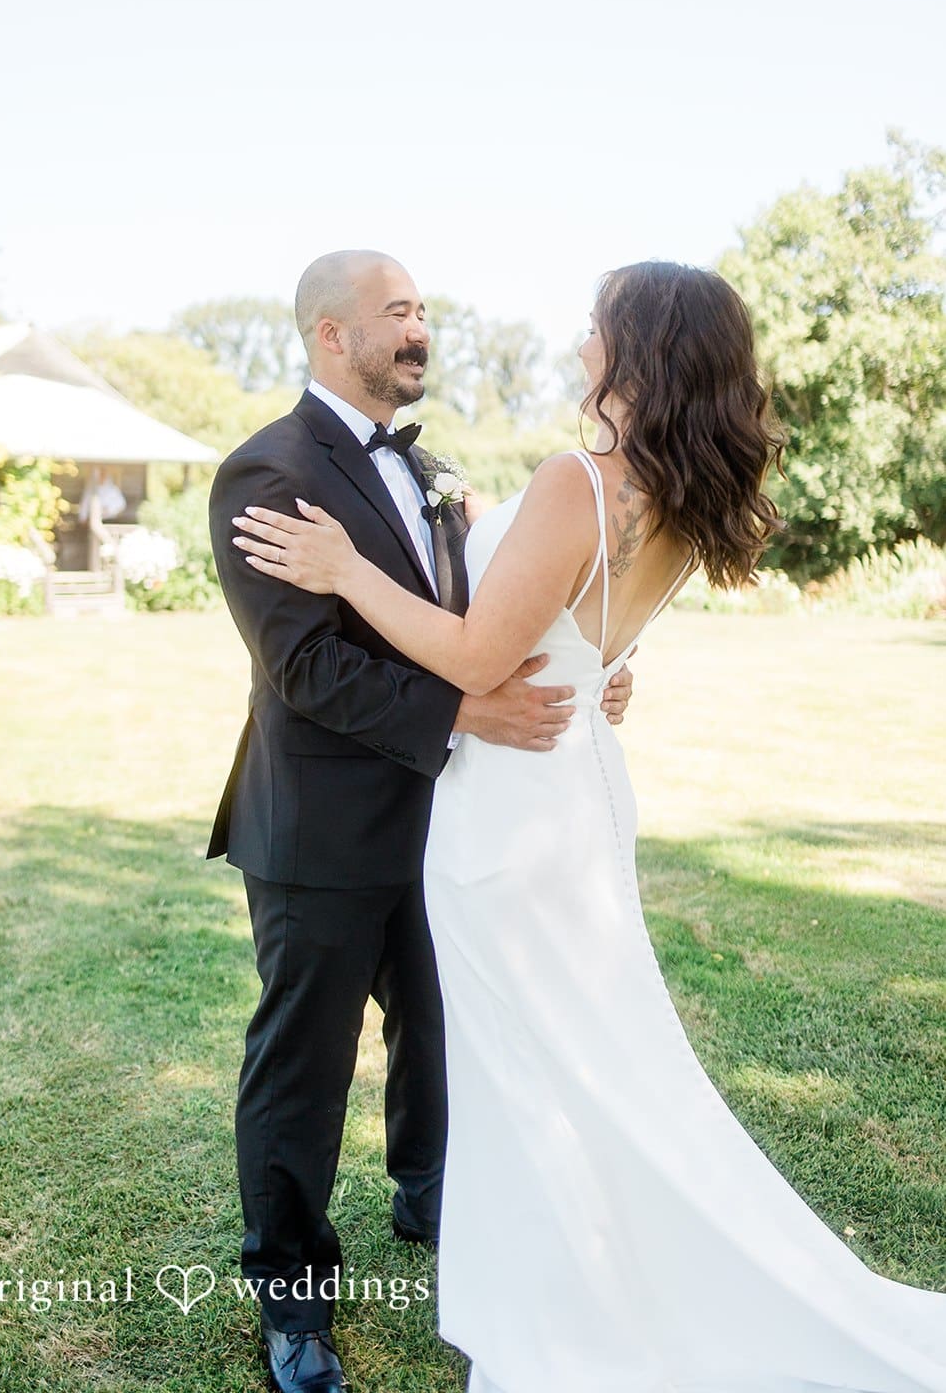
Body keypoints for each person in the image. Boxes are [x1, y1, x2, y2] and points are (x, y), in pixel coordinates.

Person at [233, 259, 946, 1393]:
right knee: (587, 1053)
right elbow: (583, 622)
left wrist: (342, 570)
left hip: (509, 812)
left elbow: (477, 653)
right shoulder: (665, 485)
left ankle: (570, 1291)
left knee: (539, 1059)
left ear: (638, 349)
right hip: (566, 786)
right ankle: (565, 1253)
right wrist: (599, 666)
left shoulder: (580, 476)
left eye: (596, 325)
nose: (578, 340)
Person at [205, 249, 634, 1393]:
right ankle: (291, 1295)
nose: (420, 328)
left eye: (423, 311)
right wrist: (465, 713)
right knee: (301, 1064)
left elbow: (479, 611)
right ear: (329, 333)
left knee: (439, 1028)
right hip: (319, 829)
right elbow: (303, 667)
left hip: (445, 823)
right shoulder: (265, 469)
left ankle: (431, 1198)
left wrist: (586, 674)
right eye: (397, 312)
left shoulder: (433, 469)